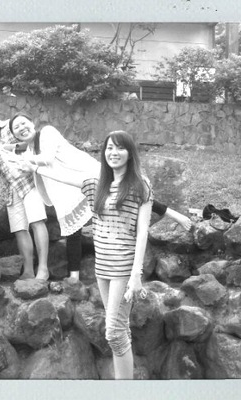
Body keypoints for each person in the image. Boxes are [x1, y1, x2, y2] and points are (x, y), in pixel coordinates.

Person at [20, 130, 151, 379]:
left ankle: (125, 390)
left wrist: (137, 273)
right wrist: (34, 168)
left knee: (113, 332)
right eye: (109, 148)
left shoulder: (139, 185)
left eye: (120, 148)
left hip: (124, 266)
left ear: (130, 153)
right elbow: (63, 176)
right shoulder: (96, 184)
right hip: (103, 266)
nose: (113, 153)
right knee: (120, 329)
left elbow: (143, 230)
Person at [7, 112, 192, 280]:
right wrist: (13, 153)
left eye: (23, 123)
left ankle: (174, 214)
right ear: (15, 135)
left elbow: (47, 158)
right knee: (73, 230)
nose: (22, 128)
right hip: (65, 188)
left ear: (32, 123)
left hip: (85, 173)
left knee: (130, 192)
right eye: (16, 128)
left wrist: (23, 159)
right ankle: (74, 276)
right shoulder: (29, 151)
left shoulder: (47, 132)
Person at [0, 103, 49, 280]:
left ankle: (43, 269)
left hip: (30, 180)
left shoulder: (11, 126)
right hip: (12, 188)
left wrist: (0, 148)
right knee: (20, 229)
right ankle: (28, 270)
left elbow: (27, 143)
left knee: (37, 222)